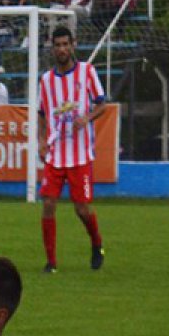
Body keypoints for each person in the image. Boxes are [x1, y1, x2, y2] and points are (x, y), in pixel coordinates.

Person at [37, 26, 106, 272]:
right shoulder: (45, 80)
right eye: (57, 45)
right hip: (56, 154)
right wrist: (42, 140)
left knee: (81, 208)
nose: (62, 49)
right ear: (53, 48)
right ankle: (51, 262)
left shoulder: (87, 72)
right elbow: (42, 114)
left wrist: (87, 118)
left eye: (66, 44)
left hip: (80, 155)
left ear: (73, 45)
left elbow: (101, 104)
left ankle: (97, 243)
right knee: (48, 204)